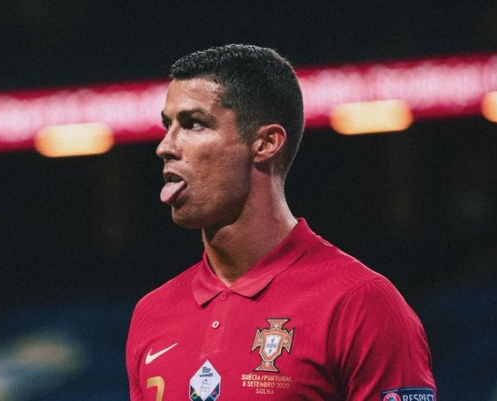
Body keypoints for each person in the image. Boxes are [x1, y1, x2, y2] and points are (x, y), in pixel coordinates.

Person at [126, 44, 437, 400]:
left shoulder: (360, 303)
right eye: (168, 125)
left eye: (193, 124)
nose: (165, 146)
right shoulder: (151, 314)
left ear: (266, 143)